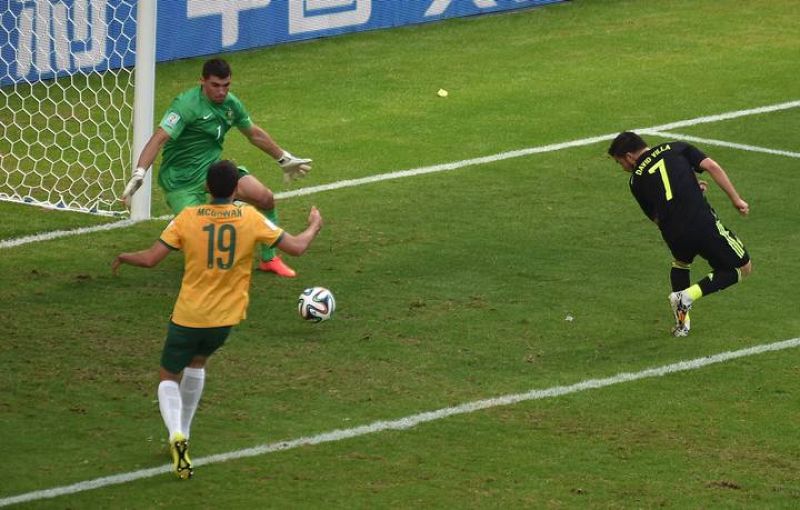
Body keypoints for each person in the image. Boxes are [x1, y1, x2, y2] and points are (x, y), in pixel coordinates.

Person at [113, 160, 323, 479]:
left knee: (169, 376)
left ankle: (176, 435)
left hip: (188, 315)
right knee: (197, 364)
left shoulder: (188, 219)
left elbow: (152, 259)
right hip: (224, 320)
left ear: (207, 188)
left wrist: (126, 256)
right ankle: (185, 432)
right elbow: (296, 247)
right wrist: (314, 226)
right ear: (237, 189)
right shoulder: (250, 218)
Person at [121, 57, 311, 278]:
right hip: (181, 181)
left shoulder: (231, 104)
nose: (221, 92)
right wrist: (140, 172)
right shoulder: (186, 105)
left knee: (265, 197)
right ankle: (229, 211)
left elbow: (254, 134)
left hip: (214, 173)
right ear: (202, 81)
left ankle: (269, 259)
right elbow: (159, 138)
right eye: (215, 85)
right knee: (200, 236)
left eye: (226, 85)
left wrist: (283, 159)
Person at [607, 131, 752, 337]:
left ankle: (682, 325)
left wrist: (690, 191)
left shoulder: (635, 181)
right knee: (741, 267)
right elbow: (711, 166)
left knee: (681, 262)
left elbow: (656, 215)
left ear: (629, 156)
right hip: (702, 223)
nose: (622, 167)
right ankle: (687, 296)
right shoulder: (677, 148)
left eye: (619, 162)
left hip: (672, 232)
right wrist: (736, 200)